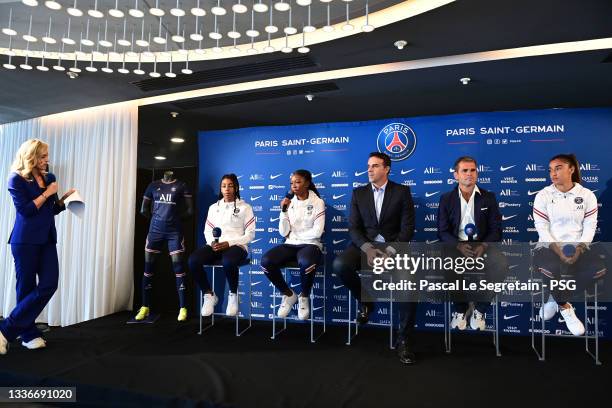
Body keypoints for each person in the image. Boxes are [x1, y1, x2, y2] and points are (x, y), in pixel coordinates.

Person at [333, 152, 416, 364]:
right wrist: (368, 249)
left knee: (408, 280)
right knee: (340, 264)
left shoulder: (402, 191)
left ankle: (404, 340)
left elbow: (407, 229)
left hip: (393, 248)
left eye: (375, 166)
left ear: (387, 169)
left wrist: (389, 252)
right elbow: (354, 227)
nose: (369, 170)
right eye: (368, 166)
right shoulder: (358, 193)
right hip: (365, 246)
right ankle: (367, 301)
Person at [0, 139, 75, 355]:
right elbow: (26, 211)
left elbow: (48, 211)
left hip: (47, 239)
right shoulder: (15, 179)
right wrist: (47, 193)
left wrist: (62, 202)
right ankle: (28, 333)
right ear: (30, 157)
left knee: (49, 283)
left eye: (46, 156)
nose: (47, 160)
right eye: (42, 156)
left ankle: (5, 330)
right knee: (25, 288)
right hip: (24, 241)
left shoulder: (49, 177)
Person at [533, 153, 606, 336]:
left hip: (579, 248)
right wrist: (559, 252)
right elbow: (542, 228)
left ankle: (555, 297)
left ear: (571, 169)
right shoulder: (543, 195)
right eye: (550, 170)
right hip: (548, 248)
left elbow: (590, 227)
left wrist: (579, 249)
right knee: (549, 269)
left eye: (558, 168)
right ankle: (565, 307)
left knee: (600, 269)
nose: (553, 173)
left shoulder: (587, 195)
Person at [437, 156, 506, 331]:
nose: (469, 174)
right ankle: (461, 309)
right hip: (456, 245)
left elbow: (496, 229)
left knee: (501, 264)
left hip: (483, 245)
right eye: (464, 170)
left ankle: (480, 309)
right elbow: (442, 231)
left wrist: (484, 245)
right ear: (456, 175)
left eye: (473, 170)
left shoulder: (489, 197)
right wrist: (458, 245)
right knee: (447, 265)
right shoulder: (446, 198)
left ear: (477, 173)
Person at [261, 170, 325, 321]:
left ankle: (304, 296)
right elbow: (284, 233)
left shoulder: (317, 202)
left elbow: (317, 232)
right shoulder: (289, 203)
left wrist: (296, 235)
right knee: (265, 262)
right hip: (290, 244)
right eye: (292, 183)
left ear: (307, 183)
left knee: (307, 263)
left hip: (310, 244)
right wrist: (283, 211)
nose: (294, 186)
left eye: (298, 182)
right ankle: (289, 295)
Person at [189, 174, 255, 317]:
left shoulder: (245, 207)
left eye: (230, 185)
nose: (226, 189)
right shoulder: (214, 207)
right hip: (217, 245)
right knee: (193, 261)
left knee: (228, 261)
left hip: (238, 246)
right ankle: (208, 294)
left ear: (236, 187)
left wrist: (229, 243)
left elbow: (250, 235)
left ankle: (233, 295)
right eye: (223, 186)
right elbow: (207, 230)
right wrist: (212, 242)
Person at [134, 170, 193, 322]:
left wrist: (175, 221)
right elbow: (143, 209)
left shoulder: (181, 185)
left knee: (178, 269)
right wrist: (157, 219)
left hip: (174, 233)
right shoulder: (153, 185)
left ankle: (183, 307)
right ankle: (145, 306)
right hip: (155, 231)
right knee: (148, 270)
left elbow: (190, 210)